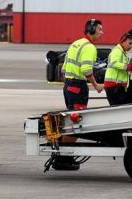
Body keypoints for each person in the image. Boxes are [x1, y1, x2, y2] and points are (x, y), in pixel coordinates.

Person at [53, 18, 105, 171]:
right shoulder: (89, 47)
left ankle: (62, 156)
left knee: (70, 122)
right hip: (77, 86)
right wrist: (96, 85)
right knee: (76, 124)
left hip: (68, 86)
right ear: (92, 30)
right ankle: (62, 158)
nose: (103, 33)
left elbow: (62, 69)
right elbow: (86, 70)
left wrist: (68, 85)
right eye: (100, 29)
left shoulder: (75, 43)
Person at [104, 29, 132, 105]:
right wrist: (128, 67)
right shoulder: (117, 51)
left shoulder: (123, 53)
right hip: (114, 86)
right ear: (123, 41)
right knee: (116, 109)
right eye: (129, 43)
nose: (131, 46)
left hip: (118, 86)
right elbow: (114, 63)